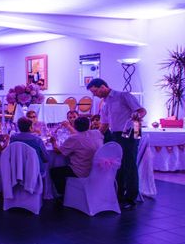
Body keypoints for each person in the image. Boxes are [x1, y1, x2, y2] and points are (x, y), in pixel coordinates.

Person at [88, 78, 146, 209]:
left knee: (129, 164)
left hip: (131, 132)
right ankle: (119, 194)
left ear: (103, 87)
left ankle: (131, 198)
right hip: (115, 134)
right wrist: (91, 136)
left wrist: (137, 126)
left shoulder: (123, 96)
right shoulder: (105, 104)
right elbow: (104, 124)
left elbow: (142, 111)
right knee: (118, 165)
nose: (94, 94)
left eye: (95, 91)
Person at [49, 116, 103, 198]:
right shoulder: (97, 133)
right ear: (89, 125)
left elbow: (58, 151)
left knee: (54, 172)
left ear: (75, 126)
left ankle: (63, 195)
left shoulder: (75, 138)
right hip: (97, 169)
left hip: (82, 171)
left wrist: (53, 142)